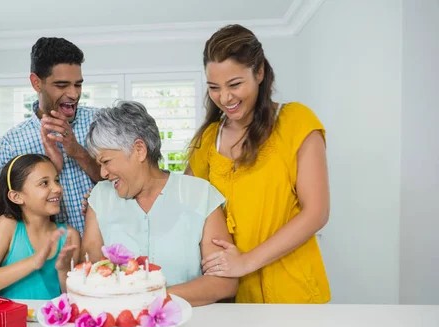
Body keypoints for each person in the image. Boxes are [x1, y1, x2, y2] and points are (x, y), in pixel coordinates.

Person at [186, 24, 331, 303]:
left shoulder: (296, 122)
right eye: (214, 88)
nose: (225, 98)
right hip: (232, 299)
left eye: (235, 84)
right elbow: (186, 203)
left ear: (260, 72)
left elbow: (316, 213)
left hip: (295, 293)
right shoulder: (208, 140)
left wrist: (246, 262)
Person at [81, 101, 238, 307]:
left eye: (106, 161)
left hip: (190, 326)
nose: (102, 173)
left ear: (139, 150)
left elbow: (224, 283)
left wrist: (152, 297)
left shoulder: (200, 194)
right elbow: (91, 274)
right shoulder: (100, 197)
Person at [0, 37, 101, 236]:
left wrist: (79, 152)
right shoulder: (11, 144)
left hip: (105, 248)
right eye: (61, 85)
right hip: (52, 255)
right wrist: (52, 167)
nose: (73, 94)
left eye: (78, 85)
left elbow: (122, 183)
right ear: (36, 83)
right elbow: (16, 213)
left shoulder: (101, 121)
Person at [0, 154, 79, 300]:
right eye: (44, 183)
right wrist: (33, 262)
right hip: (14, 321)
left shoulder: (70, 236)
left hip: (52, 322)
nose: (57, 188)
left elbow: (73, 299)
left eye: (56, 180)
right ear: (16, 197)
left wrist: (64, 272)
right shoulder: (7, 226)